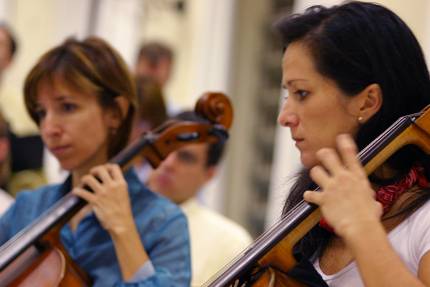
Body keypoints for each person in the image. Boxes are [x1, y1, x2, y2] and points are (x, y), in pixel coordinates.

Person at [0, 37, 191, 286]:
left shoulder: (163, 223)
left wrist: (123, 230)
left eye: (67, 107)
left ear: (116, 112)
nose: (49, 128)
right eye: (41, 112)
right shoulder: (28, 209)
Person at [274, 2, 430, 286]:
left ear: (368, 101)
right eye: (288, 95)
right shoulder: (312, 213)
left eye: (302, 93)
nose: (285, 117)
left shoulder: (424, 220)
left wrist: (362, 228)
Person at [147, 111, 253, 286]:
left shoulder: (230, 242)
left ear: (209, 174)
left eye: (186, 157)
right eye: (166, 148)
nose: (168, 163)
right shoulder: (112, 208)